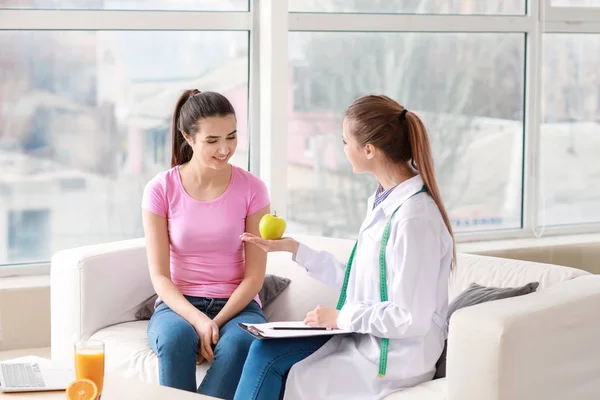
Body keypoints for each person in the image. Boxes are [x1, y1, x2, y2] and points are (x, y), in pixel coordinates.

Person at [234, 95, 456, 400]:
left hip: (397, 359)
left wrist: (341, 318)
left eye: (344, 141)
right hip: (364, 338)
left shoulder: (415, 219)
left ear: (369, 150)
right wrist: (294, 249)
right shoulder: (385, 202)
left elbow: (409, 318)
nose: (342, 149)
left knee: (277, 364)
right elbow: (363, 284)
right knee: (263, 348)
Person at [141, 89, 271, 400]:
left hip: (239, 306)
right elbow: (160, 276)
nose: (225, 148)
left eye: (232, 136)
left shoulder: (253, 189)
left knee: (241, 343)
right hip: (179, 304)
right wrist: (197, 320)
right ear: (188, 136)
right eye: (212, 141)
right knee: (174, 339)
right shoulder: (161, 189)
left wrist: (216, 322)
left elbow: (254, 277)